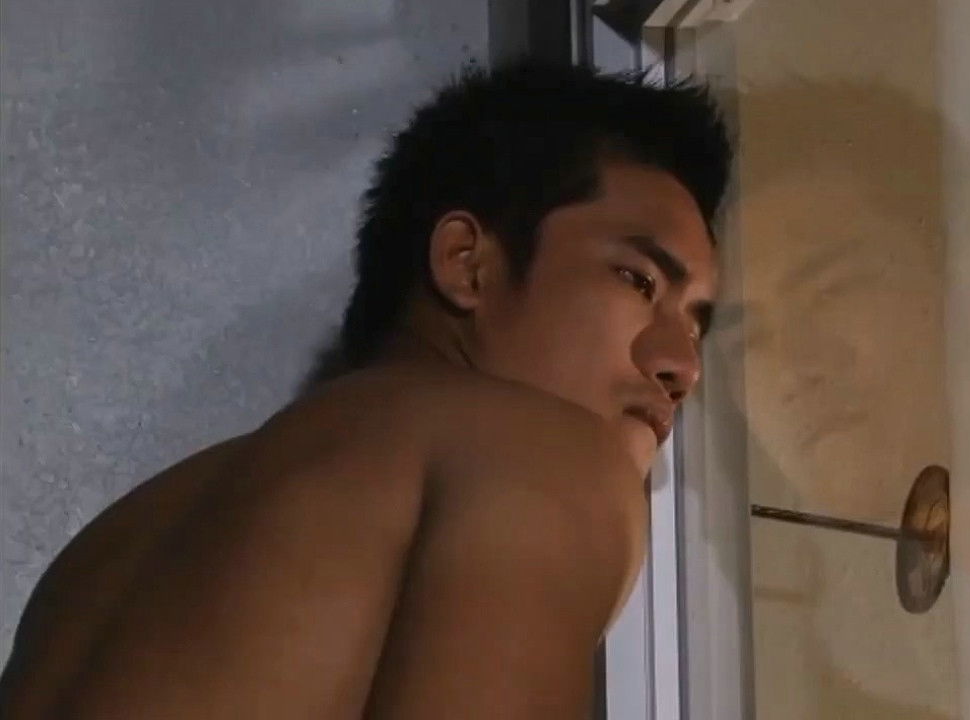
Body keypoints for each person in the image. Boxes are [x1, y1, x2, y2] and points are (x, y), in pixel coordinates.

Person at [1, 59, 731, 718]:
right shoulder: (543, 454)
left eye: (697, 325)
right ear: (466, 263)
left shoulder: (112, 548)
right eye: (638, 281)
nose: (682, 365)